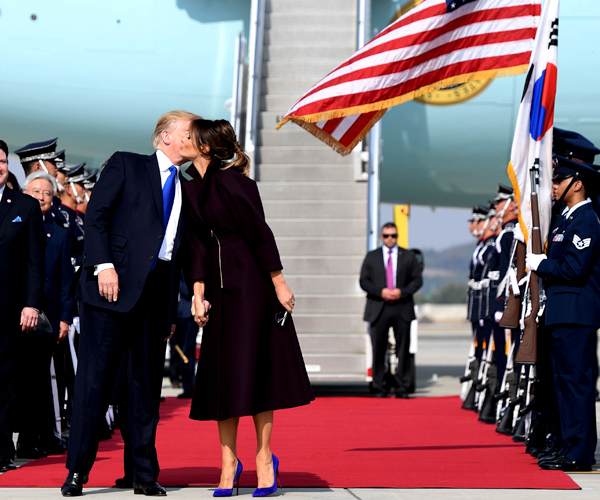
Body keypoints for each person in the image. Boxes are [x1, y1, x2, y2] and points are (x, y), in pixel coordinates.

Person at [61, 110, 200, 497]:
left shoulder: (188, 186)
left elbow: (176, 253)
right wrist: (103, 266)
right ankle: (77, 470)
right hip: (111, 290)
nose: (195, 139)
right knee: (96, 382)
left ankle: (142, 473)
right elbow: (97, 217)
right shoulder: (127, 164)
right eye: (190, 132)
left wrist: (171, 309)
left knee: (145, 388)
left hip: (155, 299)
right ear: (166, 136)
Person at [180, 118, 314, 497]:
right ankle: (228, 462)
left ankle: (264, 457)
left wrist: (278, 282)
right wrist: (198, 292)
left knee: (255, 372)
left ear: (206, 146)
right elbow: (195, 244)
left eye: (190, 137)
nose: (183, 141)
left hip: (251, 286)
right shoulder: (189, 187)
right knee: (221, 377)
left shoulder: (236, 183)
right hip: (217, 291)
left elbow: (259, 233)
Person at [526, 155, 600, 472]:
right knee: (561, 384)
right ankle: (566, 445)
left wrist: (541, 264)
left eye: (559, 180)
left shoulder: (586, 220)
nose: (553, 186)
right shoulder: (566, 219)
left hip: (576, 314)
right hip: (560, 313)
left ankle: (579, 453)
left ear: (577, 184)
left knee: (576, 385)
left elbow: (574, 268)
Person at [21, 172, 74, 457]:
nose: (41, 196)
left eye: (47, 193)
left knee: (39, 380)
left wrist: (64, 318)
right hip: (15, 314)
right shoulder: (12, 225)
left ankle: (32, 439)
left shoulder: (60, 234)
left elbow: (66, 281)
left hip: (47, 319)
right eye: (35, 191)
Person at [0, 139, 46, 472]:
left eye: (2, 161)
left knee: (4, 380)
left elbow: (35, 261)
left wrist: (31, 305)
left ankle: (2, 450)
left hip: (8, 308)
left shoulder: (24, 206)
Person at [359, 222, 423, 398]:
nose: (390, 239)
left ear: (397, 237)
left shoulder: (408, 256)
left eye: (393, 235)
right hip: (378, 307)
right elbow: (363, 281)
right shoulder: (372, 257)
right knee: (378, 349)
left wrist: (402, 292)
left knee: (403, 349)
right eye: (386, 236)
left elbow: (417, 280)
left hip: (402, 307)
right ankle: (379, 386)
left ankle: (402, 387)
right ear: (381, 237)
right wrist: (380, 291)